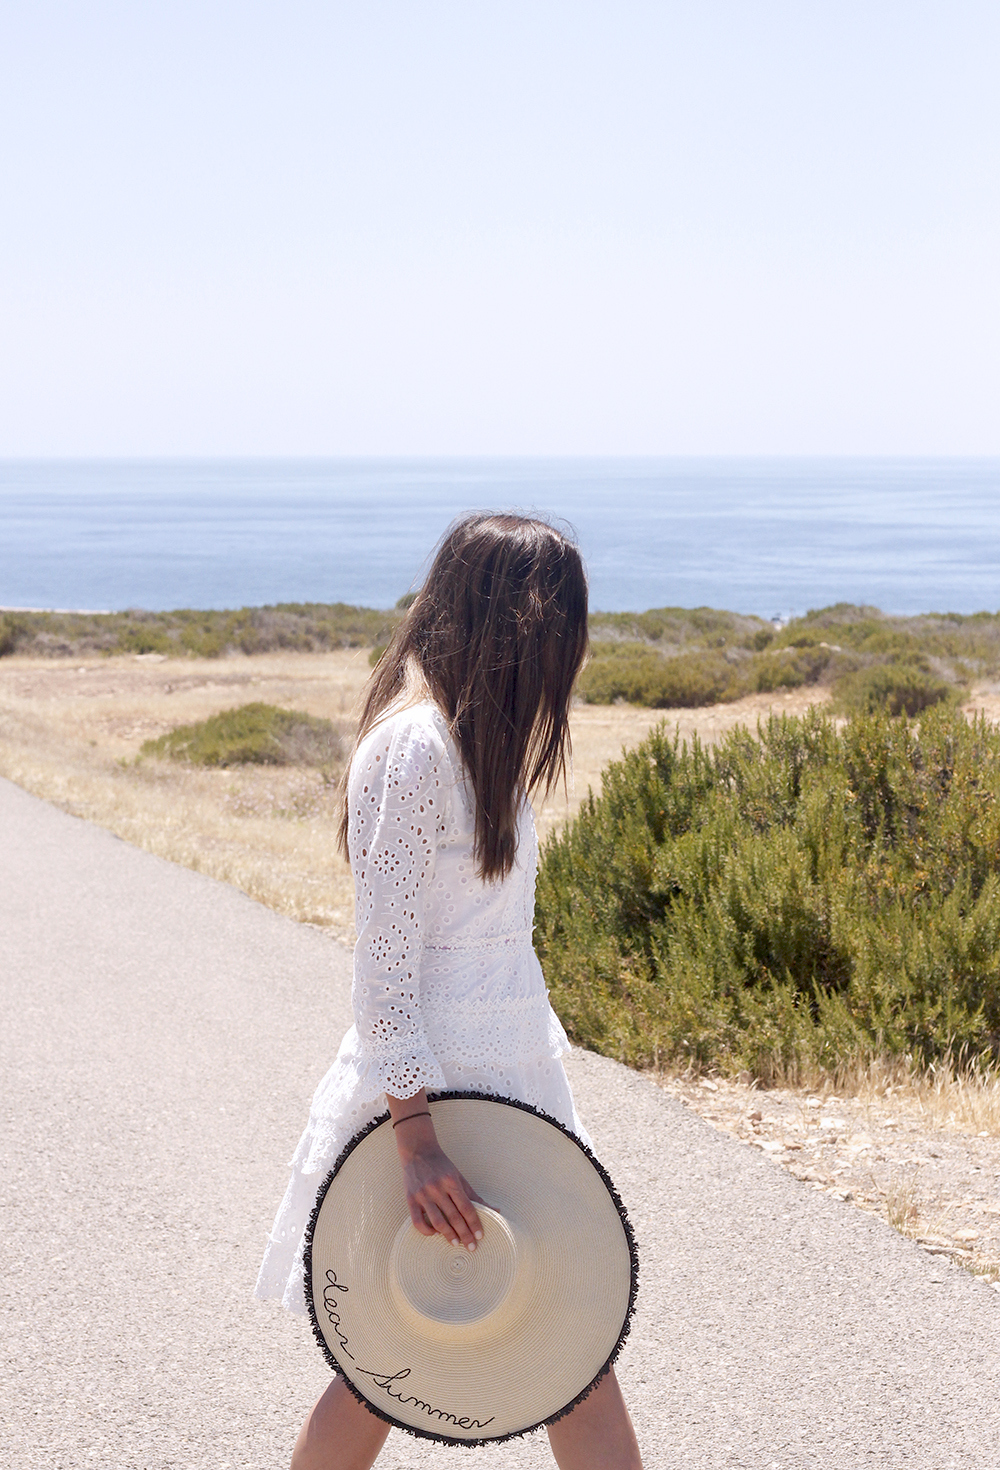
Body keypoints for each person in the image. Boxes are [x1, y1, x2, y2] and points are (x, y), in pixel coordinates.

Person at [255, 513, 643, 1470]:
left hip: (513, 1086)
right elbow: (382, 969)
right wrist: (416, 1141)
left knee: (566, 1344)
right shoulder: (415, 749)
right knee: (384, 1367)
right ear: (511, 624)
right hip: (432, 1107)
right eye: (560, 630)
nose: (571, 655)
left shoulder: (483, 748)